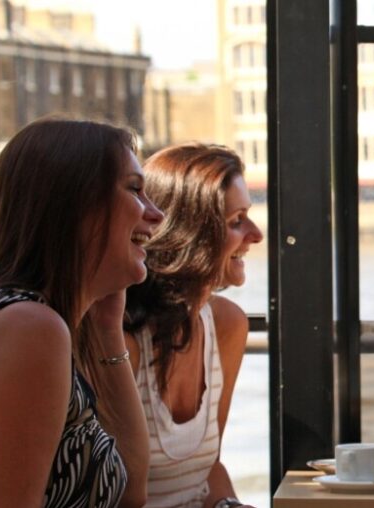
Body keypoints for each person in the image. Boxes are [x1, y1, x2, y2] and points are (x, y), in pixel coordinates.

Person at [0, 118, 159, 506]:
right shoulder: (26, 329)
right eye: (134, 190)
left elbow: (132, 492)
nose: (156, 214)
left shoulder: (13, 318)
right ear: (74, 206)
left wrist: (108, 329)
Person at [123, 143, 263, 508]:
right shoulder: (122, 339)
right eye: (237, 221)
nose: (256, 234)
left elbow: (208, 469)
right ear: (191, 232)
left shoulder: (227, 325)